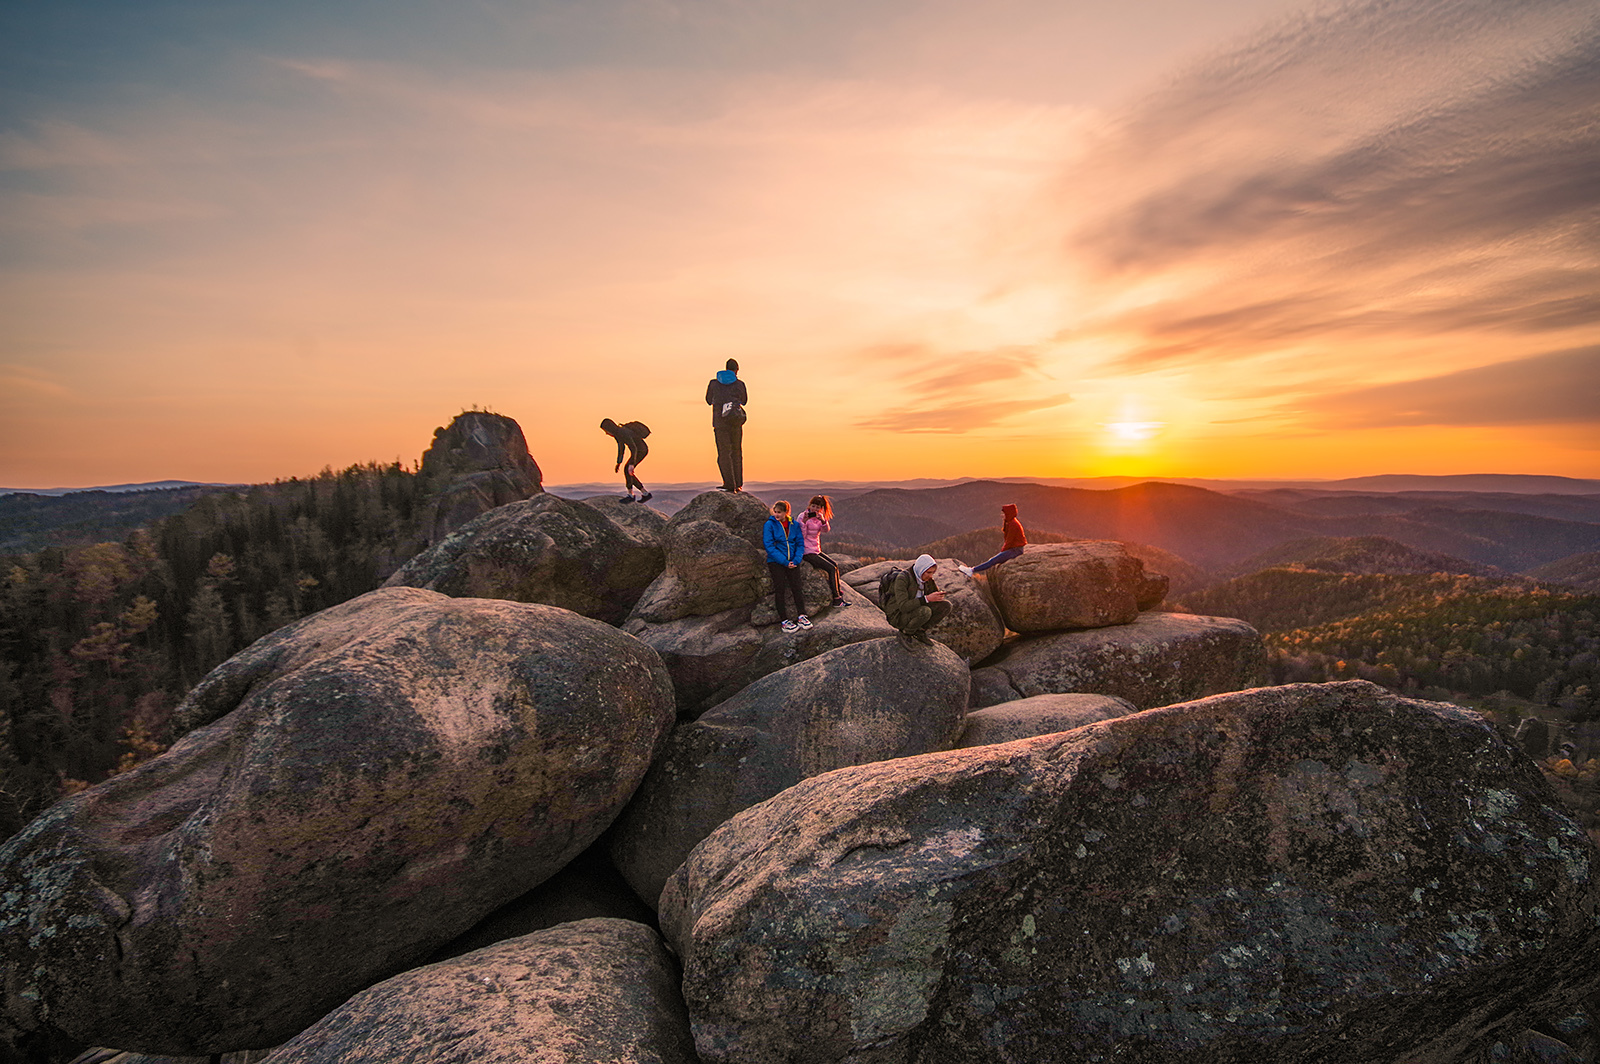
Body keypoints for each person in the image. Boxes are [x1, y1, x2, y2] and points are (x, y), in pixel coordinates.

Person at [882, 553, 950, 645]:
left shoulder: (927, 580)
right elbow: (903, 606)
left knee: (946, 606)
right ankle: (906, 633)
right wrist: (927, 598)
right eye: (928, 572)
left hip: (914, 611)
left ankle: (920, 631)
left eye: (933, 573)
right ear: (921, 569)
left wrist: (938, 595)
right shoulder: (903, 578)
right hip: (898, 615)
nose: (931, 576)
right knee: (925, 611)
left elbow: (932, 598)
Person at [763, 500, 810, 632]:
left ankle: (802, 616)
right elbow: (769, 546)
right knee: (780, 590)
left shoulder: (794, 525)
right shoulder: (770, 525)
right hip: (776, 561)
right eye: (775, 512)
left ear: (786, 512)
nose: (777, 515)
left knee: (797, 587)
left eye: (780, 512)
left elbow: (800, 543)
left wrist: (796, 560)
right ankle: (784, 621)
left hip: (793, 560)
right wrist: (784, 562)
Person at [706, 358, 747, 492]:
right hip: (735, 422)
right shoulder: (740, 384)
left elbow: (708, 400)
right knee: (736, 452)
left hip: (720, 423)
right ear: (736, 370)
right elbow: (745, 401)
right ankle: (738, 484)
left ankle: (729, 483)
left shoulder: (713, 383)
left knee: (724, 453)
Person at [798, 494, 846, 608]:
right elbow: (801, 536)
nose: (814, 509)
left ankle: (837, 589)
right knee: (830, 568)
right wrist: (804, 522)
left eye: (818, 507)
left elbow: (825, 530)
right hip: (806, 551)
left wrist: (823, 520)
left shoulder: (818, 517)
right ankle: (837, 599)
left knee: (835, 565)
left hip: (816, 549)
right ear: (809, 505)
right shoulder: (802, 516)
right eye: (813, 506)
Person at [959, 504, 1027, 576]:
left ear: (1008, 514)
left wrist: (1002, 552)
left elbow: (1009, 541)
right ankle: (972, 570)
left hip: (1015, 551)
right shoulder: (1009, 522)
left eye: (1003, 513)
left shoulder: (1013, 524)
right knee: (993, 560)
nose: (1001, 515)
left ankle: (972, 570)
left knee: (993, 561)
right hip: (1014, 549)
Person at [600, 418, 652, 503]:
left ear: (610, 428)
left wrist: (631, 464)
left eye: (606, 431)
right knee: (627, 470)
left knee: (627, 470)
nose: (606, 433)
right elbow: (621, 448)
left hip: (641, 451)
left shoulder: (622, 432)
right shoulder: (618, 434)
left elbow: (633, 448)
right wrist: (618, 462)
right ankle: (644, 494)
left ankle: (631, 495)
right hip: (638, 450)